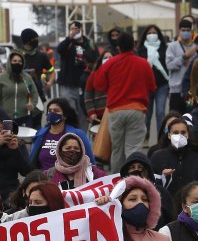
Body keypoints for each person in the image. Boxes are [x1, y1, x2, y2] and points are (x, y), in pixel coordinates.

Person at [92, 33, 157, 172]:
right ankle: (134, 180)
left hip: (115, 111)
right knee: (133, 149)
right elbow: (152, 86)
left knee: (117, 149)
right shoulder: (143, 63)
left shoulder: (110, 63)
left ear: (118, 47)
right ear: (134, 45)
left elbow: (99, 85)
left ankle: (116, 181)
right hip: (137, 110)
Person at [150, 117, 198, 196]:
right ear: (169, 135)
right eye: (175, 133)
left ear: (188, 134)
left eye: (183, 132)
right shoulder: (157, 157)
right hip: (168, 204)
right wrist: (162, 177)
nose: (179, 135)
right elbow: (150, 183)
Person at [29, 98, 95, 171]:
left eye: (56, 110)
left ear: (65, 116)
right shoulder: (40, 134)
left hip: (68, 179)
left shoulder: (77, 134)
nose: (52, 113)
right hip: (43, 179)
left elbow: (90, 162)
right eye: (50, 111)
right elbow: (32, 160)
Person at [57, 21, 99, 129]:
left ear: (81, 30)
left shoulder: (89, 43)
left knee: (84, 114)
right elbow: (59, 50)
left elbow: (96, 59)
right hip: (68, 84)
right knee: (69, 112)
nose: (75, 31)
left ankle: (82, 137)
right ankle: (70, 135)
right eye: (72, 29)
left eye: (77, 29)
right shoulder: (67, 43)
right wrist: (69, 37)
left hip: (84, 85)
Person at [120, 151, 175, 229]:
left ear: (147, 171)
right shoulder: (119, 193)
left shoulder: (162, 193)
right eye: (132, 167)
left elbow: (171, 220)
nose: (136, 170)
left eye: (140, 167)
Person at [0, 51, 40, 127]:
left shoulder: (27, 78)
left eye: (20, 61)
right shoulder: (0, 78)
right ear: (9, 62)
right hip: (5, 119)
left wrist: (32, 105)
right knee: (8, 138)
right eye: (14, 61)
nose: (17, 63)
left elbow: (35, 94)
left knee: (25, 138)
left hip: (24, 118)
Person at [137, 24, 170, 134]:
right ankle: (146, 136)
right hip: (146, 87)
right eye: (149, 33)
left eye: (154, 33)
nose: (152, 35)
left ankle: (161, 138)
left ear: (159, 35)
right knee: (147, 114)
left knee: (160, 112)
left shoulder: (164, 48)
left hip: (162, 85)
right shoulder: (141, 50)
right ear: (145, 35)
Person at [20, 28, 56, 126]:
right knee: (22, 125)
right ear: (27, 41)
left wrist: (50, 83)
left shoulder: (41, 56)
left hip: (37, 96)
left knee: (36, 125)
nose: (37, 41)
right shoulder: (18, 56)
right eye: (34, 39)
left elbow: (52, 72)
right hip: (20, 96)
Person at [166, 19, 196, 115]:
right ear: (179, 31)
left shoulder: (195, 47)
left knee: (189, 116)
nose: (185, 32)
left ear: (192, 31)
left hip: (190, 91)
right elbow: (169, 65)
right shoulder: (172, 47)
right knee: (175, 117)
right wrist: (184, 57)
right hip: (176, 90)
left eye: (188, 30)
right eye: (183, 30)